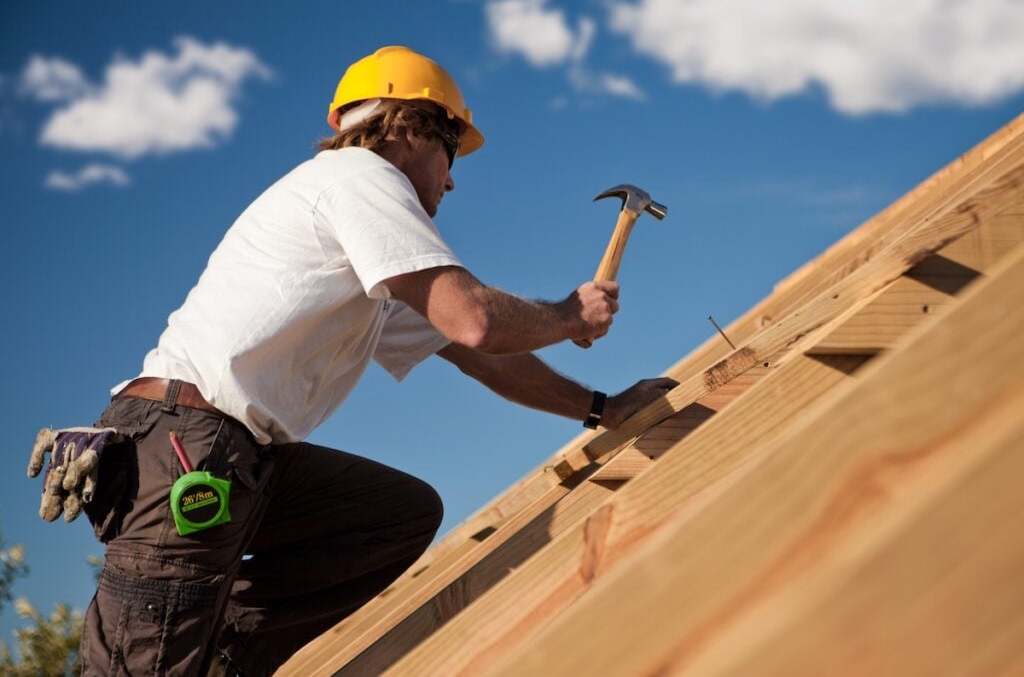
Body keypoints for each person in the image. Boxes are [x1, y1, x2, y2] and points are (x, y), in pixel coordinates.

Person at [53, 45, 676, 675]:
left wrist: (604, 408)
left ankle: (220, 653)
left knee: (394, 516)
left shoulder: (362, 247)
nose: (452, 179)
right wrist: (569, 317)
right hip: (188, 446)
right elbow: (476, 320)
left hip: (234, 455)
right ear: (411, 129)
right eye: (450, 152)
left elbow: (471, 351)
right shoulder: (363, 179)